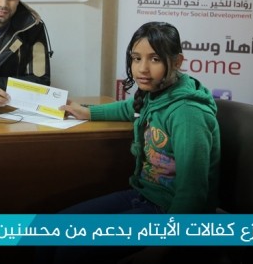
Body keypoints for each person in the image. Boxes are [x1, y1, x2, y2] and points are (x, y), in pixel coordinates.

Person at [40, 21, 220, 263]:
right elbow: (129, 108)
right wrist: (88, 112)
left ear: (177, 62)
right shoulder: (156, 93)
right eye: (136, 58)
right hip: (144, 195)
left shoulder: (187, 113)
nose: (142, 69)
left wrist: (161, 249)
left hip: (170, 212)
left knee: (70, 252)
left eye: (155, 59)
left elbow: (192, 195)